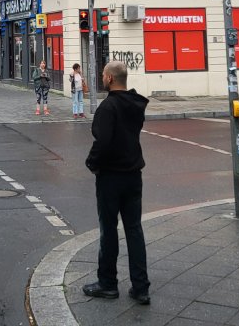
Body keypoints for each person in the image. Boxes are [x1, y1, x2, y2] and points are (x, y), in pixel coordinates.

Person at [83, 60, 150, 305]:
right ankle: (141, 288)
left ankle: (108, 283)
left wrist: (92, 163)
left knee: (109, 230)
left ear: (110, 78)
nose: (102, 77)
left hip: (110, 176)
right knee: (134, 229)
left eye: (103, 74)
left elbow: (102, 142)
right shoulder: (136, 104)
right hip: (133, 174)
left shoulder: (108, 107)